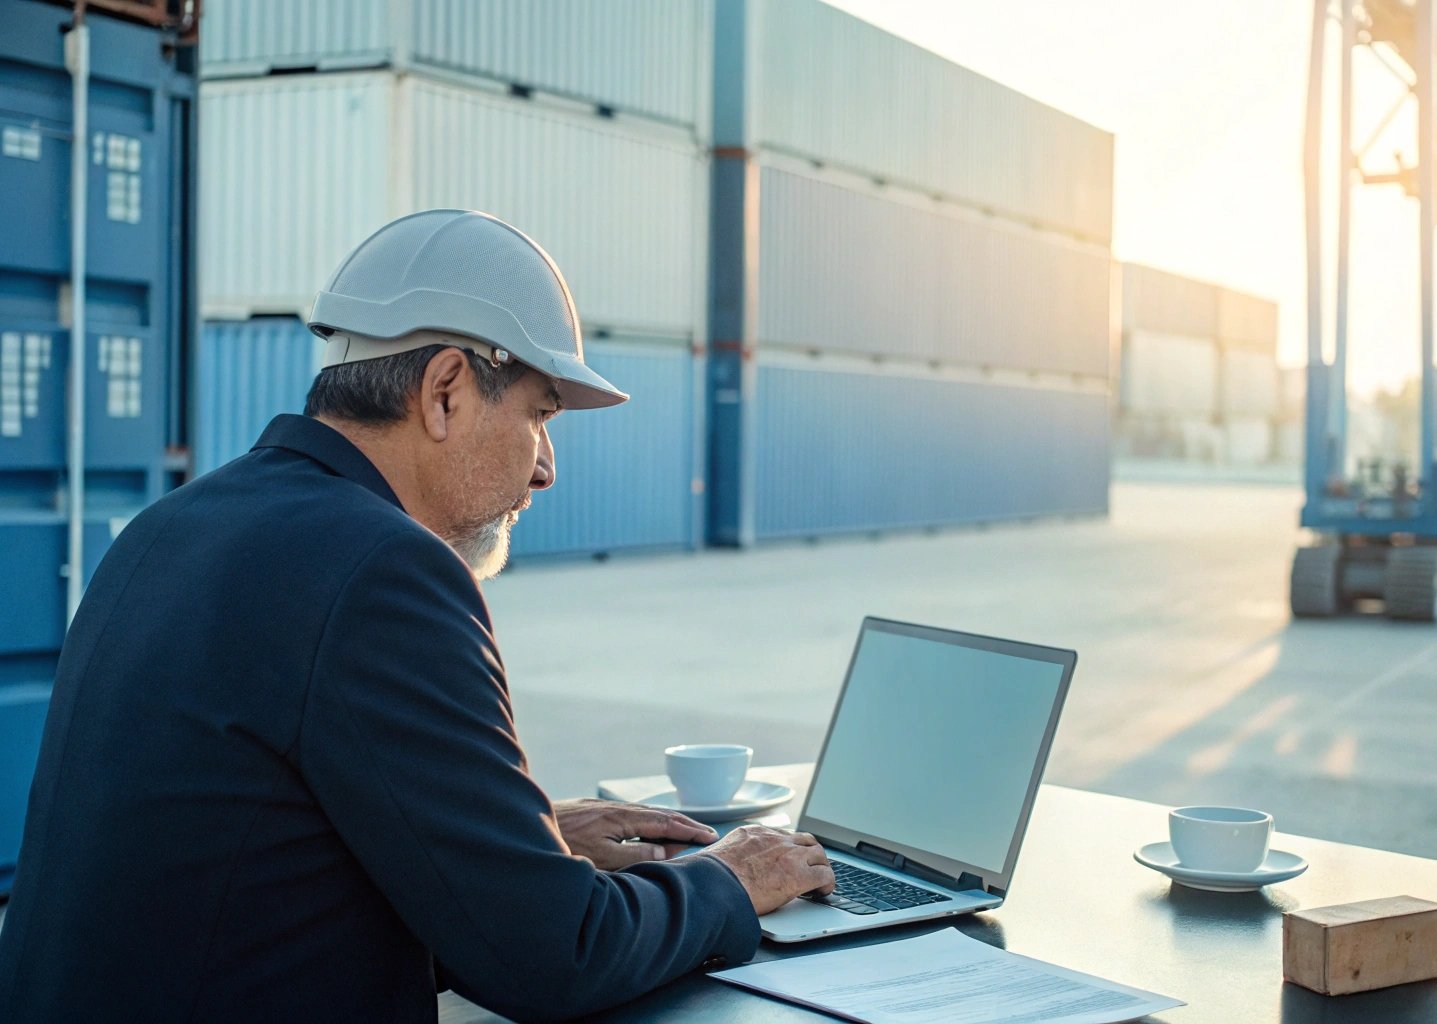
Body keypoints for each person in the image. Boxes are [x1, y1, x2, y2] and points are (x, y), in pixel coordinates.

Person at [0, 210, 835, 1022]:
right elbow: (551, 958)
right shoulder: (383, 571)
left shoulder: (173, 527)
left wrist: (529, 846)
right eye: (541, 415)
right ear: (444, 392)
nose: (546, 470)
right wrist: (730, 876)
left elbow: (248, 870)